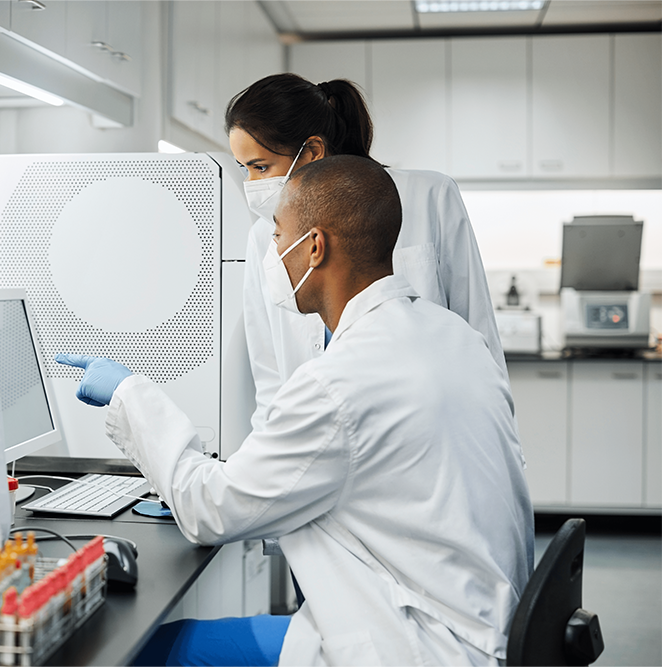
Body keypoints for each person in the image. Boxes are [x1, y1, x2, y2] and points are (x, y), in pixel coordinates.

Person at [57, 155, 533, 667]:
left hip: (415, 645)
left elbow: (209, 509)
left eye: (278, 235)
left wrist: (131, 392)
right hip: (476, 621)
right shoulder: (453, 337)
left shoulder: (342, 380)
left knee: (144, 652)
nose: (273, 253)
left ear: (314, 246)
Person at [227, 73, 507, 431]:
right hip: (316, 439)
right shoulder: (264, 234)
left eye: (261, 167)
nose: (253, 185)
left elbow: (477, 330)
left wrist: (497, 438)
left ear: (312, 153)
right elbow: (269, 376)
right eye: (245, 169)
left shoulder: (427, 196)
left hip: (423, 430)